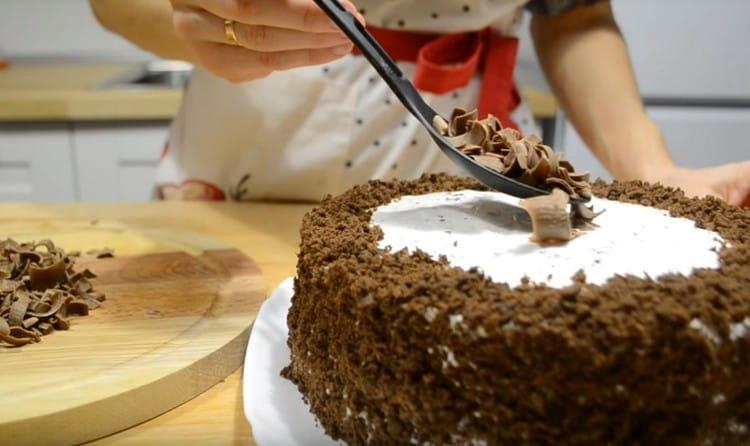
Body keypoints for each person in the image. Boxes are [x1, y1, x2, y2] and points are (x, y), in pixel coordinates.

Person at [90, 0, 750, 206]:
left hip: (455, 159)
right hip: (245, 147)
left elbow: (573, 14)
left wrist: (653, 170)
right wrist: (189, 14)